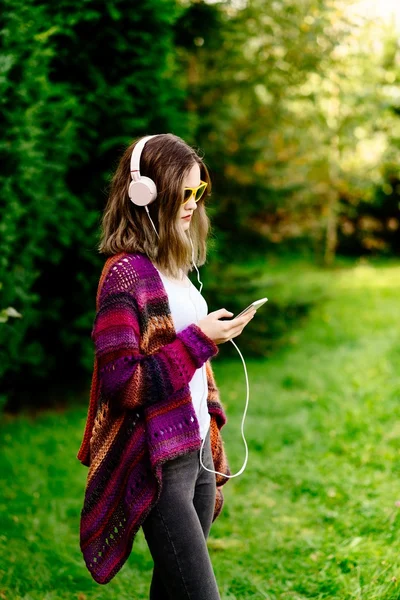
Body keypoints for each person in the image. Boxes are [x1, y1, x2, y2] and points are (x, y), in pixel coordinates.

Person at [76, 133, 255, 599]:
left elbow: (187, 359)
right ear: (146, 193)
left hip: (193, 450)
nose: (194, 204)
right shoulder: (126, 274)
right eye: (184, 193)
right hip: (158, 457)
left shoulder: (174, 267)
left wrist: (211, 408)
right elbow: (123, 383)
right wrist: (200, 341)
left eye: (199, 193)